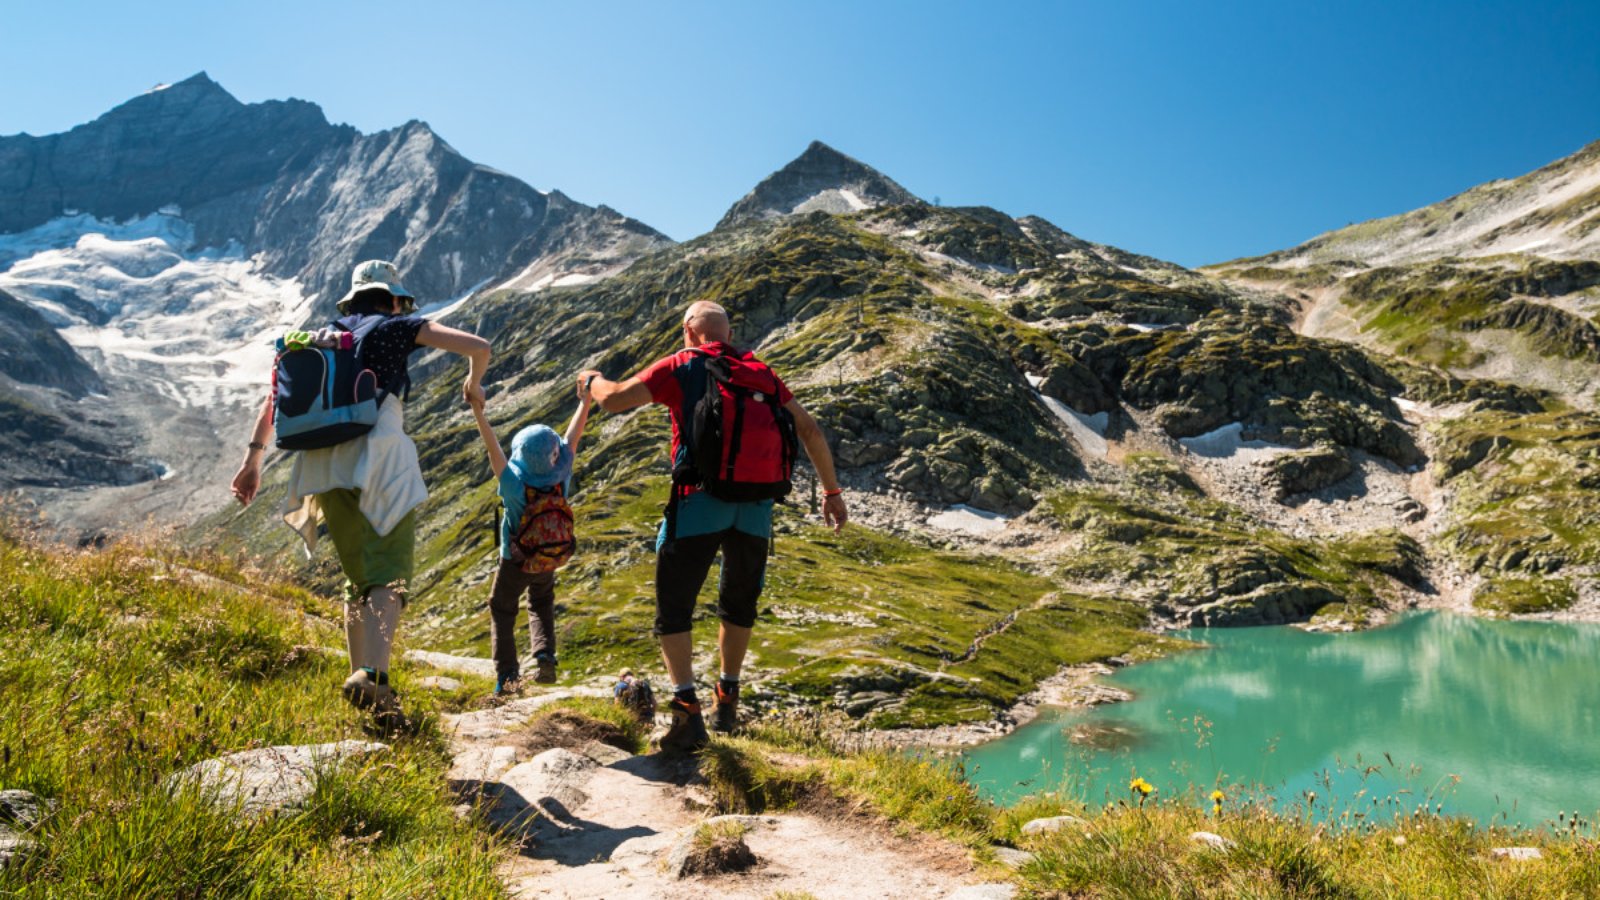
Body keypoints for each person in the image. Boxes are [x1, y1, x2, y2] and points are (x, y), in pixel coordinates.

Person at [231, 259, 490, 730]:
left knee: (357, 577)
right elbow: (478, 346)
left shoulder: (321, 338)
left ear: (351, 300)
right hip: (378, 457)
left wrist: (253, 460)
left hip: (322, 464)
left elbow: (274, 401)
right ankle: (374, 677)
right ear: (394, 299)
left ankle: (365, 685)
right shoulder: (397, 326)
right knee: (390, 575)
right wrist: (473, 382)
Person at [579, 300, 848, 752]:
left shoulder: (682, 364)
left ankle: (687, 713)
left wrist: (591, 380)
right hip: (756, 507)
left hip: (699, 502)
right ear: (728, 334)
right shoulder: (761, 373)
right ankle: (726, 701)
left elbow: (614, 399)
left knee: (674, 608)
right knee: (738, 605)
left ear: (688, 330)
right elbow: (810, 430)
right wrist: (832, 492)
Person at [468, 378, 594, 694]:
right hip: (549, 556)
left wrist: (478, 411)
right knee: (541, 601)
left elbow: (492, 449)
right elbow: (572, 437)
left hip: (515, 560)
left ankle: (508, 676)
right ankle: (545, 655)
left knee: (502, 608)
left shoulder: (513, 484)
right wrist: (585, 401)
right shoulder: (560, 476)